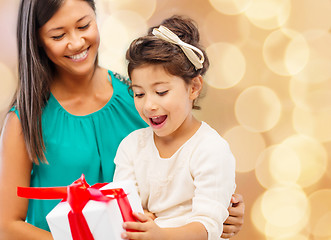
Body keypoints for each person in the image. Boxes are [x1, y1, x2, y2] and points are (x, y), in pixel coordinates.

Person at [0, 0, 244, 239]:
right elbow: (7, 226)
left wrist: (225, 207)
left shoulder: (140, 99)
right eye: (57, 36)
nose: (76, 42)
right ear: (37, 41)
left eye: (84, 26)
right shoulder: (24, 120)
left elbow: (189, 166)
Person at [113, 16, 236, 240]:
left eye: (161, 92)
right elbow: (123, 210)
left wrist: (160, 234)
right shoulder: (131, 147)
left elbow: (208, 227)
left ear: (194, 87)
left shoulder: (211, 149)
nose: (149, 105)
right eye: (139, 93)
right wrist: (138, 218)